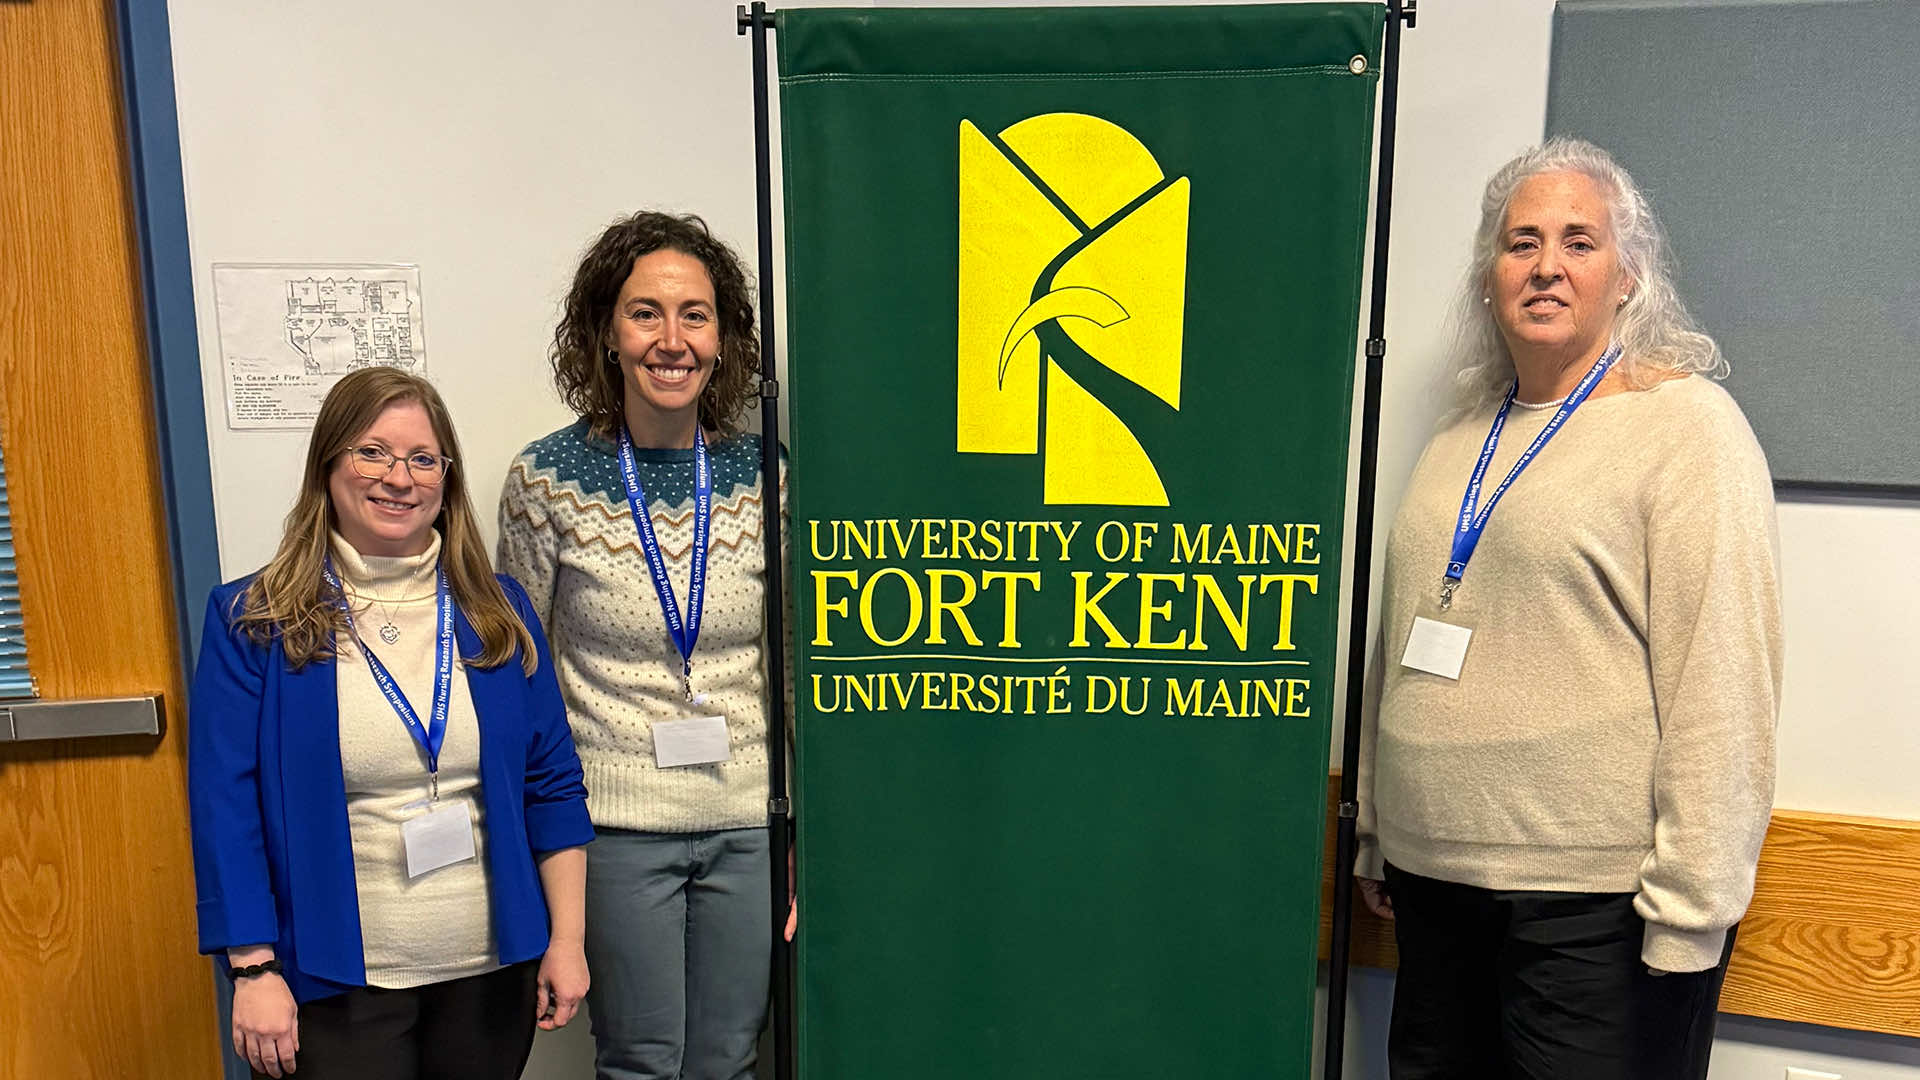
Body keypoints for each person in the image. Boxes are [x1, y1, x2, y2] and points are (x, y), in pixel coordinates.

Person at [1353, 138, 1783, 1080]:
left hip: (1594, 913)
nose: (1547, 265)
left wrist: (1693, 910)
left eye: (1579, 242)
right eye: (1522, 243)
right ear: (1488, 276)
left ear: (1628, 276)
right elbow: (1402, 639)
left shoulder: (1688, 430)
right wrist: (1382, 830)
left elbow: (1725, 679)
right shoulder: (1462, 432)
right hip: (1434, 890)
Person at [189, 367, 593, 1080]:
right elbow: (227, 809)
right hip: (334, 979)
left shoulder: (498, 613)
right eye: (372, 452)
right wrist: (252, 970)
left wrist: (568, 940)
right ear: (328, 464)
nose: (398, 478)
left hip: (489, 974)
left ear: (446, 477)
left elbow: (553, 785)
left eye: (421, 458)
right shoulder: (254, 619)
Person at [498, 210, 787, 1080]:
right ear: (606, 334)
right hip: (614, 830)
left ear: (724, 338)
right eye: (645, 313)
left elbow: (798, 666)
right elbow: (520, 681)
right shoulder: (544, 481)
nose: (672, 339)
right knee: (642, 1065)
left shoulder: (766, 472)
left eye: (695, 315)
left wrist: (807, 840)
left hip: (748, 822)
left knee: (732, 1063)